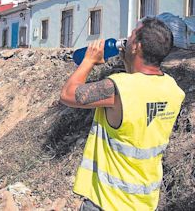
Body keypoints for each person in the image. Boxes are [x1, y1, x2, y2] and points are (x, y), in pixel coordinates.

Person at [60, 17, 185, 210]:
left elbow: (68, 94)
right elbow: (140, 85)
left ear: (137, 46)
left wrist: (89, 60)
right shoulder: (173, 89)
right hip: (143, 202)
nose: (125, 40)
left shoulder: (120, 88)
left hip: (108, 201)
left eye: (131, 36)